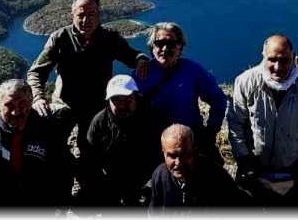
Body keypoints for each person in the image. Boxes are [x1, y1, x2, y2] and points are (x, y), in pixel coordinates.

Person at [27, 0, 150, 160]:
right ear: (73, 16)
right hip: (65, 104)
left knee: (91, 150)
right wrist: (38, 98)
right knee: (51, 144)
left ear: (99, 15)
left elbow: (131, 56)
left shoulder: (111, 38)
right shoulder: (60, 38)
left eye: (91, 14)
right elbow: (36, 72)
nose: (86, 20)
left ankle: (88, 181)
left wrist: (141, 59)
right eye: (81, 15)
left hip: (96, 106)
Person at [227, 34, 298, 206]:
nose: (278, 66)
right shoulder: (245, 82)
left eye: (284, 60)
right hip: (253, 168)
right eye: (272, 59)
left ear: (294, 58)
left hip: (293, 169)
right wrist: (243, 160)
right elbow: (236, 124)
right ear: (263, 56)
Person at [0, 79, 73, 209]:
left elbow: (63, 172)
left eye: (22, 104)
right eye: (9, 105)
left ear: (30, 103)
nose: (15, 112)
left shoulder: (46, 130)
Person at [131, 22, 228, 164]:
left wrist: (210, 131)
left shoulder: (193, 71)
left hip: (190, 140)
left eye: (171, 44)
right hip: (153, 143)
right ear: (152, 47)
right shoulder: (141, 73)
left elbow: (218, 100)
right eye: (159, 43)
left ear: (180, 47)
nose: (164, 49)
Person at [84, 75, 167, 206]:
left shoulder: (153, 118)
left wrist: (151, 185)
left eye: (128, 99)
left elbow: (165, 159)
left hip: (147, 180)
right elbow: (89, 161)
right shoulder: (99, 122)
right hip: (112, 180)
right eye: (116, 100)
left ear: (136, 97)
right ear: (108, 101)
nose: (122, 105)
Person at [147, 124, 252, 213]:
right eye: (172, 156)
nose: (178, 163)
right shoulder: (160, 176)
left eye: (185, 154)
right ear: (163, 153)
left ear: (194, 150)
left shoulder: (216, 177)